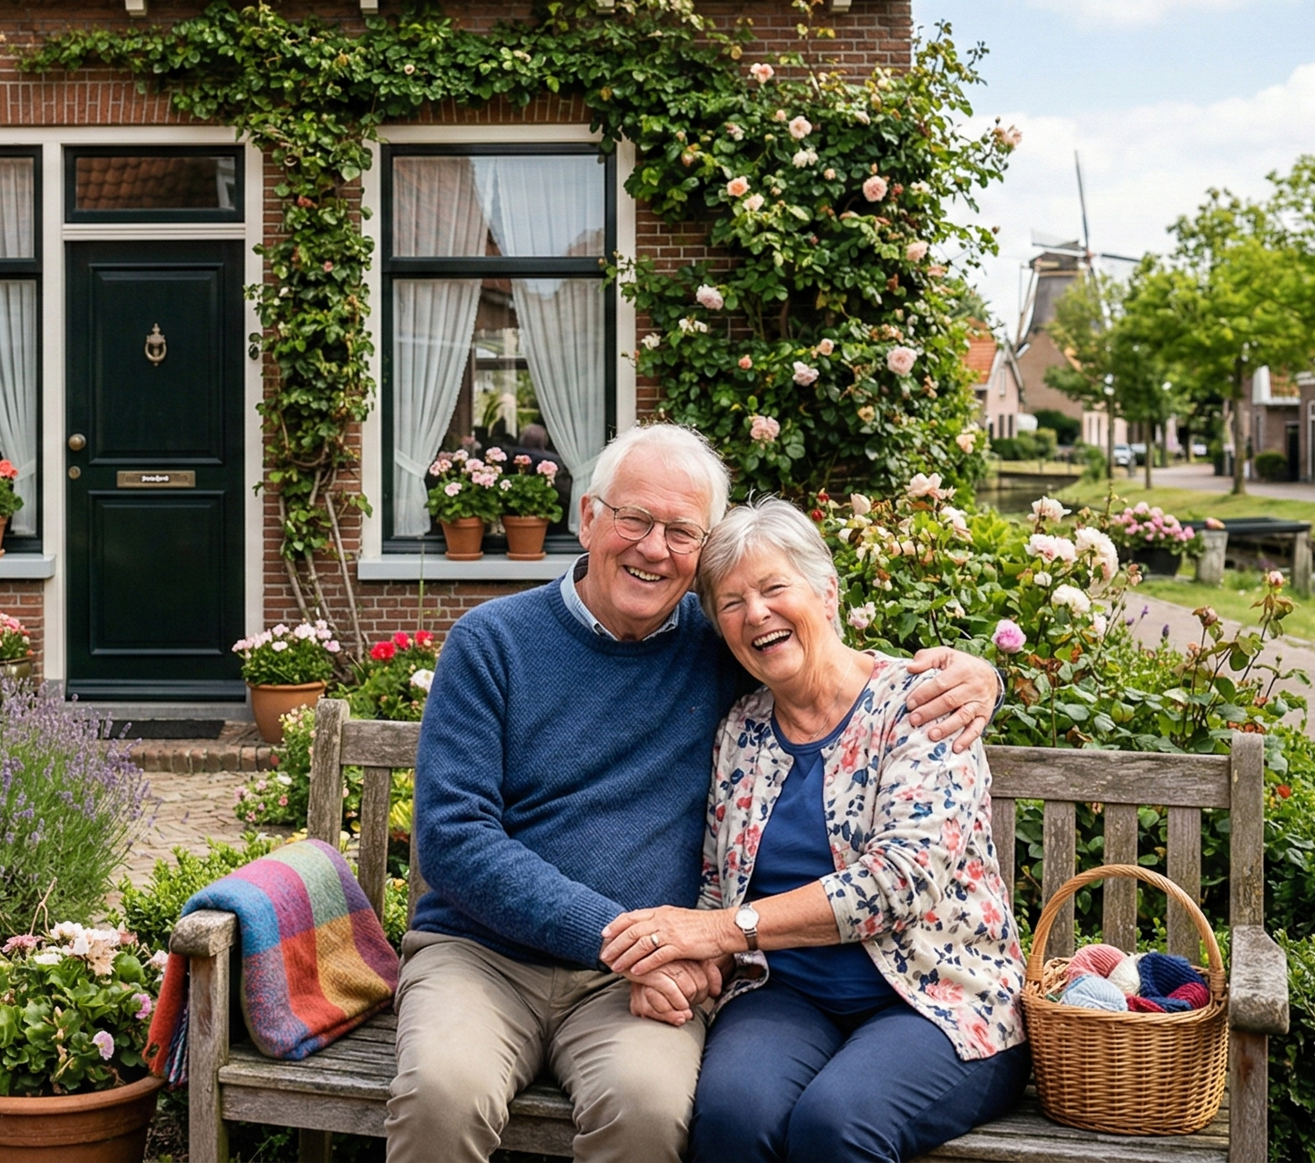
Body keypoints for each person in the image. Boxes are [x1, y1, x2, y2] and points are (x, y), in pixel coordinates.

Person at [386, 425, 1005, 1163]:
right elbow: (454, 839)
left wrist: (976, 677)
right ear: (588, 517)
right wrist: (647, 946)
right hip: (486, 957)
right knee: (442, 1093)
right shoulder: (491, 643)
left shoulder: (720, 647)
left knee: (650, 1109)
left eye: (681, 531)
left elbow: (826, 668)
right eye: (635, 519)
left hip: (642, 978)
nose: (654, 548)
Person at [603, 498, 1029, 1163]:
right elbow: (717, 882)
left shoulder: (920, 704)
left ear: (826, 592)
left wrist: (719, 932)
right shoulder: (741, 729)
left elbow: (898, 882)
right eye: (733, 603)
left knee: (836, 1124)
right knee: (731, 1113)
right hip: (788, 992)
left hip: (937, 1000)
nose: (757, 614)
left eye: (775, 588)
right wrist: (689, 964)